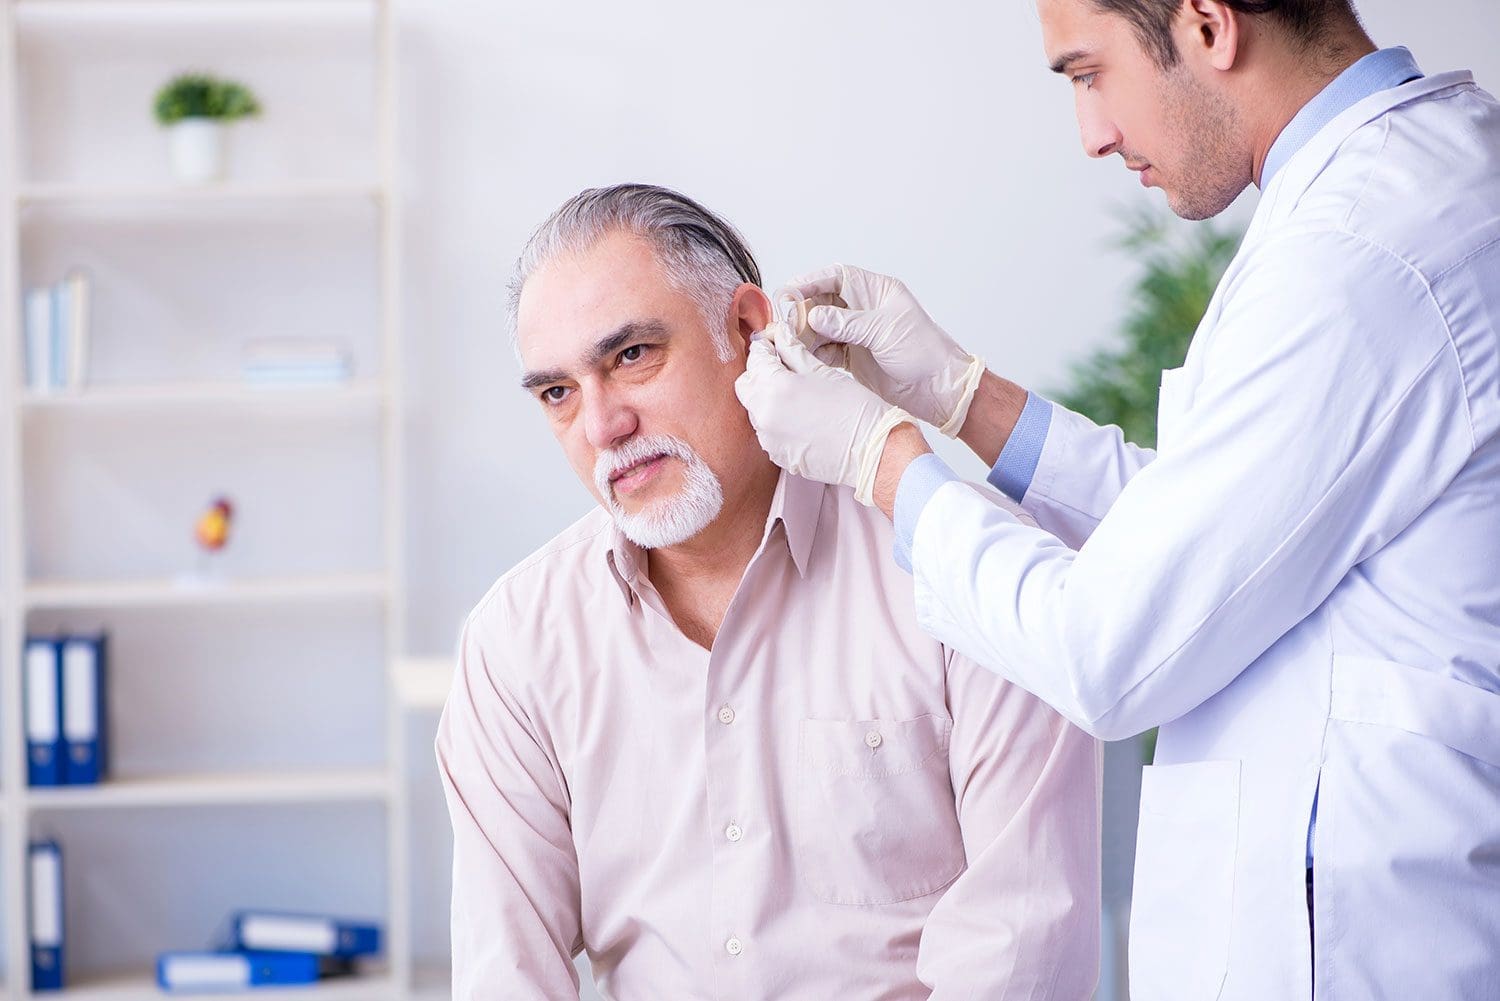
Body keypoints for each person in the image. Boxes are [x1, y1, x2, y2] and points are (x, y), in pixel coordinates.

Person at [735, 2, 1500, 999]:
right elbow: (1220, 541)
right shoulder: (1403, 191)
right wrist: (963, 395)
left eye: (1087, 73)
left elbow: (1113, 646)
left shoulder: (1360, 257)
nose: (1091, 135)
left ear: (1208, 24)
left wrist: (880, 457)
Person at [435, 184, 1101, 1001]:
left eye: (633, 356)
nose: (603, 425)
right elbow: (508, 976)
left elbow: (1020, 953)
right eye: (558, 393)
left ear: (746, 330)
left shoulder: (962, 568)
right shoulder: (517, 642)